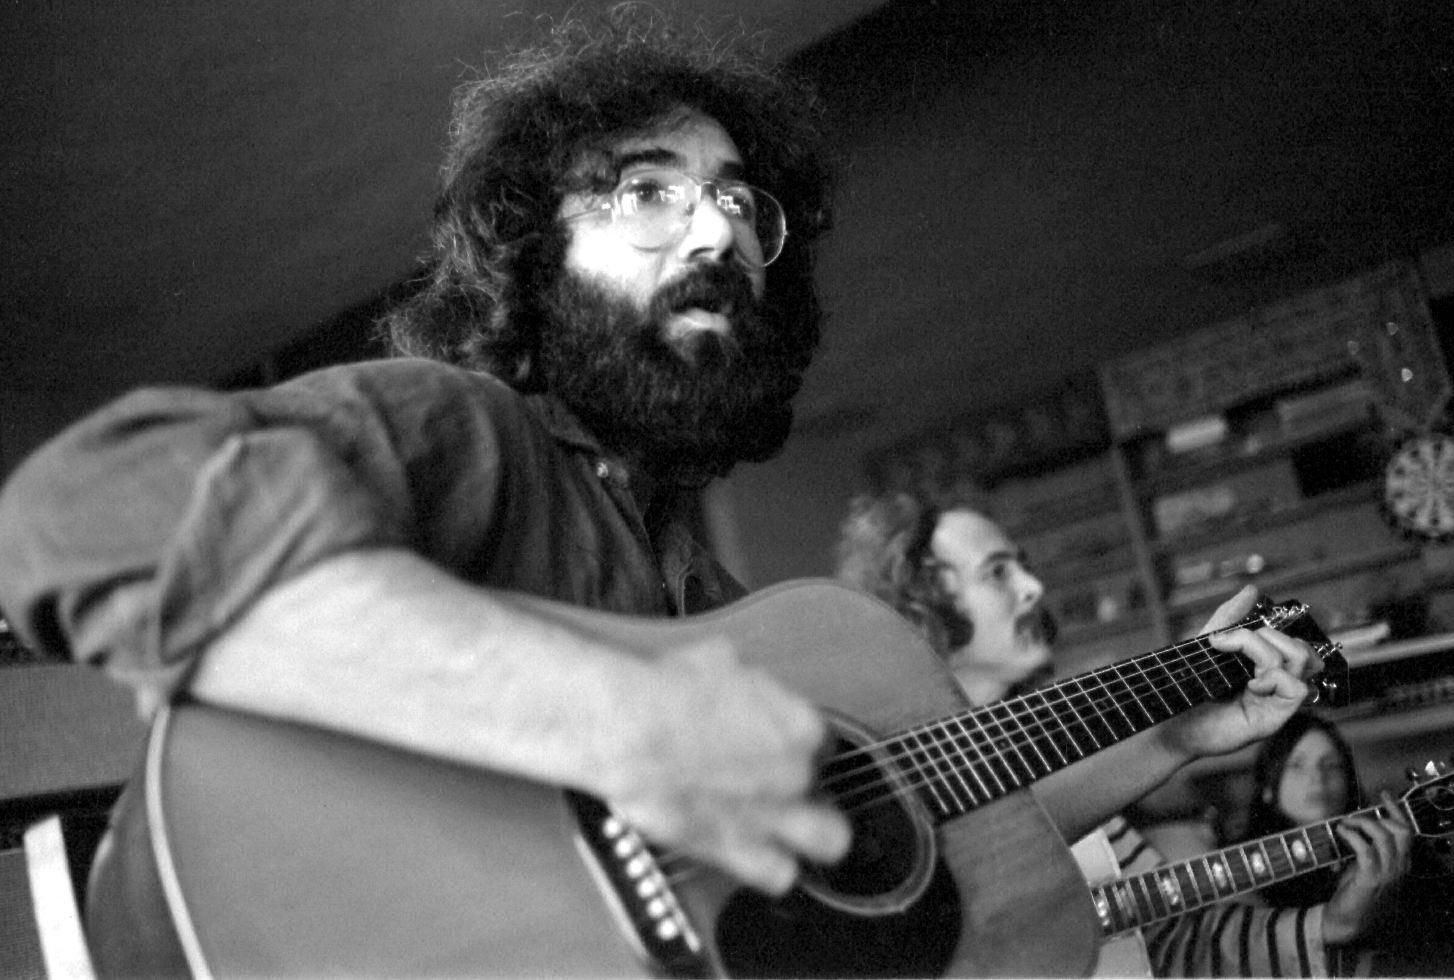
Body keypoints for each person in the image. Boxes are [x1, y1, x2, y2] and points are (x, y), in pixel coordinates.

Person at [0, 8, 1321, 976]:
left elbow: (922, 822)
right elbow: (85, 509)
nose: (716, 233)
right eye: (646, 192)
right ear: (533, 255)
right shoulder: (466, 431)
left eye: (746, 208)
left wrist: (1165, 738)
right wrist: (617, 722)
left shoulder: (721, 601)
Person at [836, 488, 1412, 976]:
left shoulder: (1094, 790)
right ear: (918, 602)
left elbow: (1172, 941)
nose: (1034, 587)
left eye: (1023, 564)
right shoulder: (876, 813)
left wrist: (1328, 925)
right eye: (997, 572)